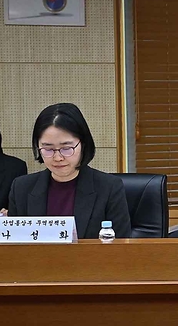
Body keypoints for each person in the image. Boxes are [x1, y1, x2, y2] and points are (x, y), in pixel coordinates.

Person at [8, 103, 131, 240]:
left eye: (66, 148)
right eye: (48, 149)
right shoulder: (21, 188)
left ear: (82, 144)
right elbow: (16, 248)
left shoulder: (109, 188)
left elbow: (120, 248)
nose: (58, 157)